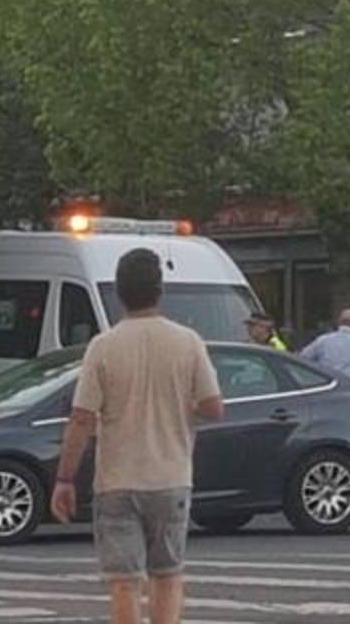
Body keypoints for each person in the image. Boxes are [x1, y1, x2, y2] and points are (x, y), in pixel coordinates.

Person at [50, 248, 224, 624]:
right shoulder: (188, 341)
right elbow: (213, 406)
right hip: (171, 478)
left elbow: (81, 418)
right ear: (159, 291)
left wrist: (64, 478)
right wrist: (180, 411)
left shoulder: (103, 346)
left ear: (120, 294)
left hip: (116, 482)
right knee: (167, 574)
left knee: (125, 581)